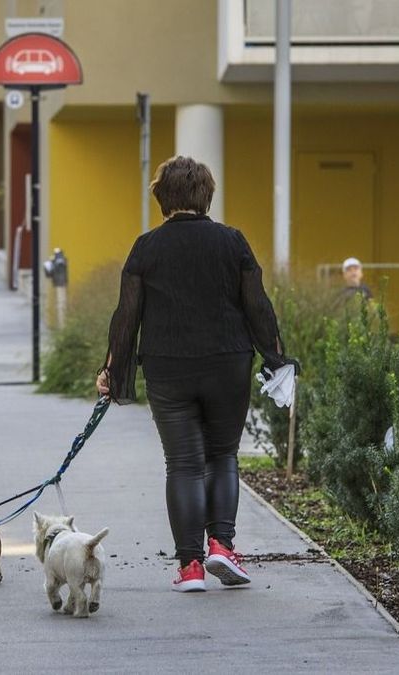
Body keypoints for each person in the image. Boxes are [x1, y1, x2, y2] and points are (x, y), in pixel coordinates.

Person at [97, 156, 294, 593]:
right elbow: (257, 306)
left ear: (162, 198)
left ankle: (190, 568)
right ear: (207, 195)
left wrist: (112, 369)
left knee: (183, 463)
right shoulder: (232, 242)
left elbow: (126, 315)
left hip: (168, 367)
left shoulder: (146, 247)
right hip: (228, 362)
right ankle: (222, 546)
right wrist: (276, 358)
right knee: (223, 455)